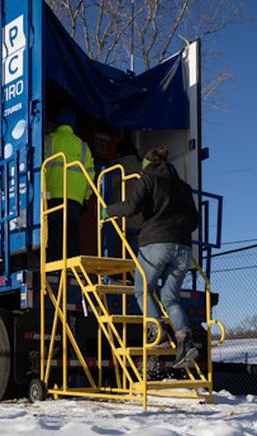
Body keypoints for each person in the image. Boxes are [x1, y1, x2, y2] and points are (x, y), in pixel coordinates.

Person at [103, 146, 200, 368]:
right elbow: (195, 222)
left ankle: (157, 336)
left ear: (148, 165)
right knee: (170, 298)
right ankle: (185, 342)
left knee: (142, 289)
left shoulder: (147, 178)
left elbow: (131, 208)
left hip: (156, 244)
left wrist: (108, 211)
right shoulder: (184, 188)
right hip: (184, 248)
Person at [44, 108, 95, 262]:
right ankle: (72, 265)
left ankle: (52, 264)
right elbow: (91, 175)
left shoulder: (49, 139)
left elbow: (40, 169)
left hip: (51, 195)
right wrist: (85, 197)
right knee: (71, 232)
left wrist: (41, 196)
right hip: (75, 198)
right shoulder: (83, 146)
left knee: (52, 232)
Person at [103, 138, 143, 255]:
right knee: (136, 253)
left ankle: (108, 270)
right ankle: (140, 272)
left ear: (119, 153)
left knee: (109, 248)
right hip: (139, 217)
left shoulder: (117, 167)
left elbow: (107, 188)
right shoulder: (143, 168)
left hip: (119, 215)